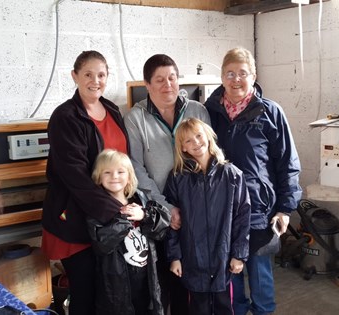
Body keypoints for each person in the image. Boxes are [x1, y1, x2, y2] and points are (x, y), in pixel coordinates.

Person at [204, 47, 302, 315]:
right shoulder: (208, 112)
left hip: (259, 209)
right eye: (230, 73)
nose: (236, 79)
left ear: (254, 75)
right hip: (222, 209)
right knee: (230, 275)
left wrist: (284, 208)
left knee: (260, 276)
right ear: (222, 77)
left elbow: (288, 164)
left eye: (243, 73)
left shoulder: (270, 112)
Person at [41, 50, 129, 315]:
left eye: (101, 74)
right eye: (88, 74)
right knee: (85, 291)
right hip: (75, 220)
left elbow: (124, 164)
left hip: (107, 219)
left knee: (108, 290)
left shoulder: (112, 110)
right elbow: (75, 177)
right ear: (75, 76)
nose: (95, 80)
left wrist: (131, 203)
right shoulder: (65, 117)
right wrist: (115, 211)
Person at [124, 54, 210, 314]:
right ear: (147, 85)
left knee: (199, 279)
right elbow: (135, 168)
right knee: (168, 281)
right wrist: (165, 208)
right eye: (159, 80)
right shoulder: (135, 119)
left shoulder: (197, 110)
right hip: (161, 213)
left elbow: (211, 154)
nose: (167, 85)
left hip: (199, 210)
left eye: (172, 78)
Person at [163, 118, 251, 315]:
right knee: (198, 308)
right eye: (188, 141)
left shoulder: (232, 175)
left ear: (208, 137)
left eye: (199, 136)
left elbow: (242, 218)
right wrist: (175, 257)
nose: (195, 142)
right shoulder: (177, 177)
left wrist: (239, 254)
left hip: (224, 261)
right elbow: (172, 223)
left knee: (224, 307)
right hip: (193, 261)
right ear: (182, 148)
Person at [87, 149, 170, 315]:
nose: (114, 176)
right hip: (118, 281)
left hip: (147, 277)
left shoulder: (141, 199)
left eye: (120, 171)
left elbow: (163, 228)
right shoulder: (98, 207)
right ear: (98, 176)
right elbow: (101, 244)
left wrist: (144, 215)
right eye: (107, 172)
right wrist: (123, 219)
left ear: (129, 175)